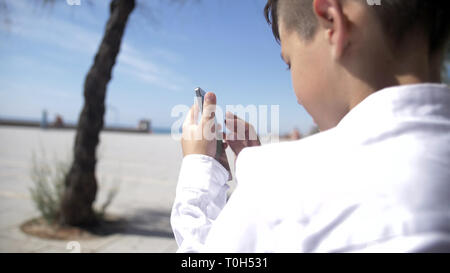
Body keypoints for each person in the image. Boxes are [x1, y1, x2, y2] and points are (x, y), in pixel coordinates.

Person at [171, 0, 450, 252]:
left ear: (332, 22)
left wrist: (200, 169)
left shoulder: (277, 190)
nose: (296, 95)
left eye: (289, 62)